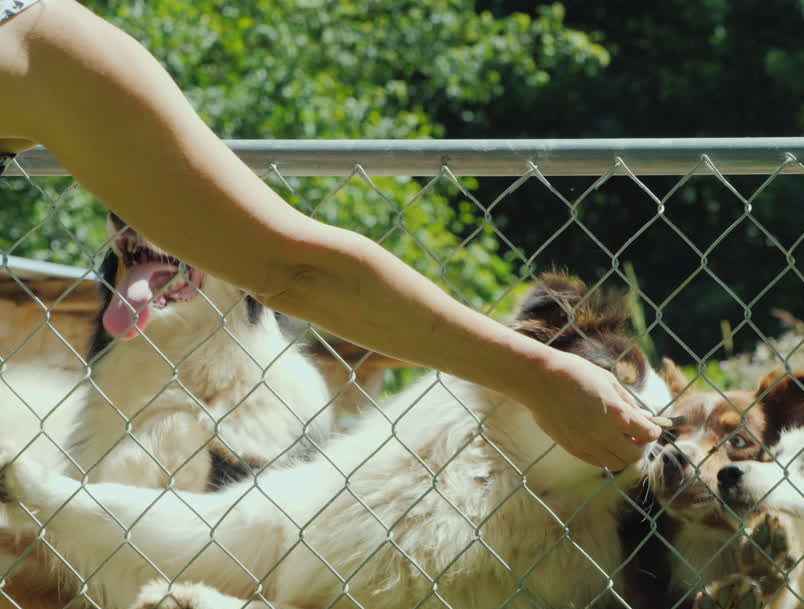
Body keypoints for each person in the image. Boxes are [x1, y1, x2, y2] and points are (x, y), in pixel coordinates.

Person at [0, 0, 666, 470]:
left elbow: (294, 271)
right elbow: (295, 270)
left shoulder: (41, 43)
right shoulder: (41, 43)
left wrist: (540, 373)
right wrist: (539, 375)